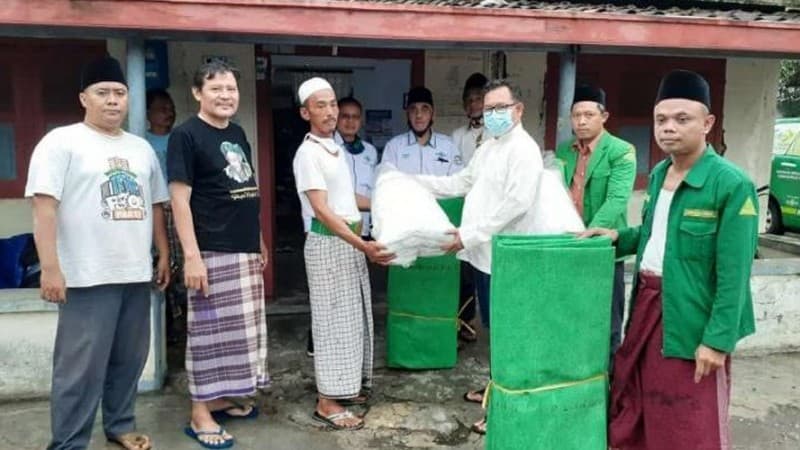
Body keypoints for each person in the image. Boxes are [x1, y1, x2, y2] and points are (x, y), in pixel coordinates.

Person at [581, 70, 758, 450]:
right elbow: (652, 236)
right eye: (661, 120)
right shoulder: (661, 174)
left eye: (682, 119)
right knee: (637, 403)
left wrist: (717, 340)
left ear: (707, 123)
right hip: (646, 306)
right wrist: (615, 237)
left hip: (691, 319)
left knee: (688, 420)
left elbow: (735, 274)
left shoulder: (731, 185)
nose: (668, 129)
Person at [26, 56, 169, 450]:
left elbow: (156, 204)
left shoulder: (140, 149)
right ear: (83, 98)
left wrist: (161, 251)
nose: (113, 101)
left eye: (119, 93)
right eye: (103, 93)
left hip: (134, 273)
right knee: (79, 369)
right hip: (85, 276)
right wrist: (50, 267)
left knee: (129, 360)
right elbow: (43, 206)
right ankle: (70, 442)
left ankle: (120, 425)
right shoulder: (61, 142)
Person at [413, 79, 544, 435]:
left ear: (518, 110)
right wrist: (415, 181)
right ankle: (493, 388)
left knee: (508, 336)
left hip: (508, 259)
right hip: (485, 258)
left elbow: (516, 206)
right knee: (492, 332)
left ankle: (503, 408)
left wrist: (467, 236)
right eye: (488, 110)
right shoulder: (489, 147)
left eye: (501, 108)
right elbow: (461, 181)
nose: (493, 115)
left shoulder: (524, 151)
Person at [168, 60, 269, 449]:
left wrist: (257, 237)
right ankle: (199, 413)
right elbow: (179, 199)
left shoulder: (238, 132)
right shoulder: (186, 136)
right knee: (208, 336)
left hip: (242, 249)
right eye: (216, 89)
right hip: (211, 250)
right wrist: (191, 256)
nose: (225, 95)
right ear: (197, 93)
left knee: (237, 335)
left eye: (230, 88)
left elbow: (246, 186)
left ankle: (220, 397)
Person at [292, 77, 394, 431]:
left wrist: (396, 199)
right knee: (332, 323)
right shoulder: (307, 153)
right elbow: (322, 211)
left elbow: (350, 201)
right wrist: (363, 244)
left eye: (333, 104)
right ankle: (326, 401)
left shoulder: (332, 149)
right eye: (321, 105)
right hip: (329, 245)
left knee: (352, 321)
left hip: (347, 242)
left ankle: (345, 387)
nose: (331, 111)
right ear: (306, 112)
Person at [555, 84, 636, 360]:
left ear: (604, 116)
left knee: (608, 320)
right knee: (571, 312)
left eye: (589, 114)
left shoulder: (621, 151)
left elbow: (616, 200)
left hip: (603, 248)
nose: (581, 121)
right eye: (576, 115)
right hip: (569, 246)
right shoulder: (564, 151)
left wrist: (588, 234)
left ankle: (610, 381)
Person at [304, 96, 379, 357]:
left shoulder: (370, 152)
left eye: (354, 117)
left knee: (351, 291)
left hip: (361, 227)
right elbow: (322, 201)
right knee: (327, 294)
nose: (349, 121)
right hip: (329, 229)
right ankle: (318, 344)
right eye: (344, 116)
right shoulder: (324, 148)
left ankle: (348, 342)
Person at [450, 72, 489, 343]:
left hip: (489, 212)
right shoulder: (457, 135)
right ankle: (464, 322)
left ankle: (487, 322)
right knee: (463, 268)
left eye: (479, 99)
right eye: (470, 100)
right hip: (463, 208)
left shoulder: (495, 135)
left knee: (485, 268)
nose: (474, 104)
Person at [145, 88, 185, 344]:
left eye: (170, 108)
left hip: (180, 212)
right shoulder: (142, 143)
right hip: (154, 213)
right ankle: (166, 330)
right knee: (160, 266)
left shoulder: (181, 139)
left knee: (182, 268)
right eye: (162, 108)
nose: (168, 113)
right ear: (148, 113)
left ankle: (184, 325)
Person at [382, 86, 462, 176]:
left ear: (433, 114)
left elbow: (457, 183)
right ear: (407, 115)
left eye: (425, 109)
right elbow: (386, 184)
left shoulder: (449, 146)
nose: (419, 115)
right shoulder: (394, 147)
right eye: (413, 109)